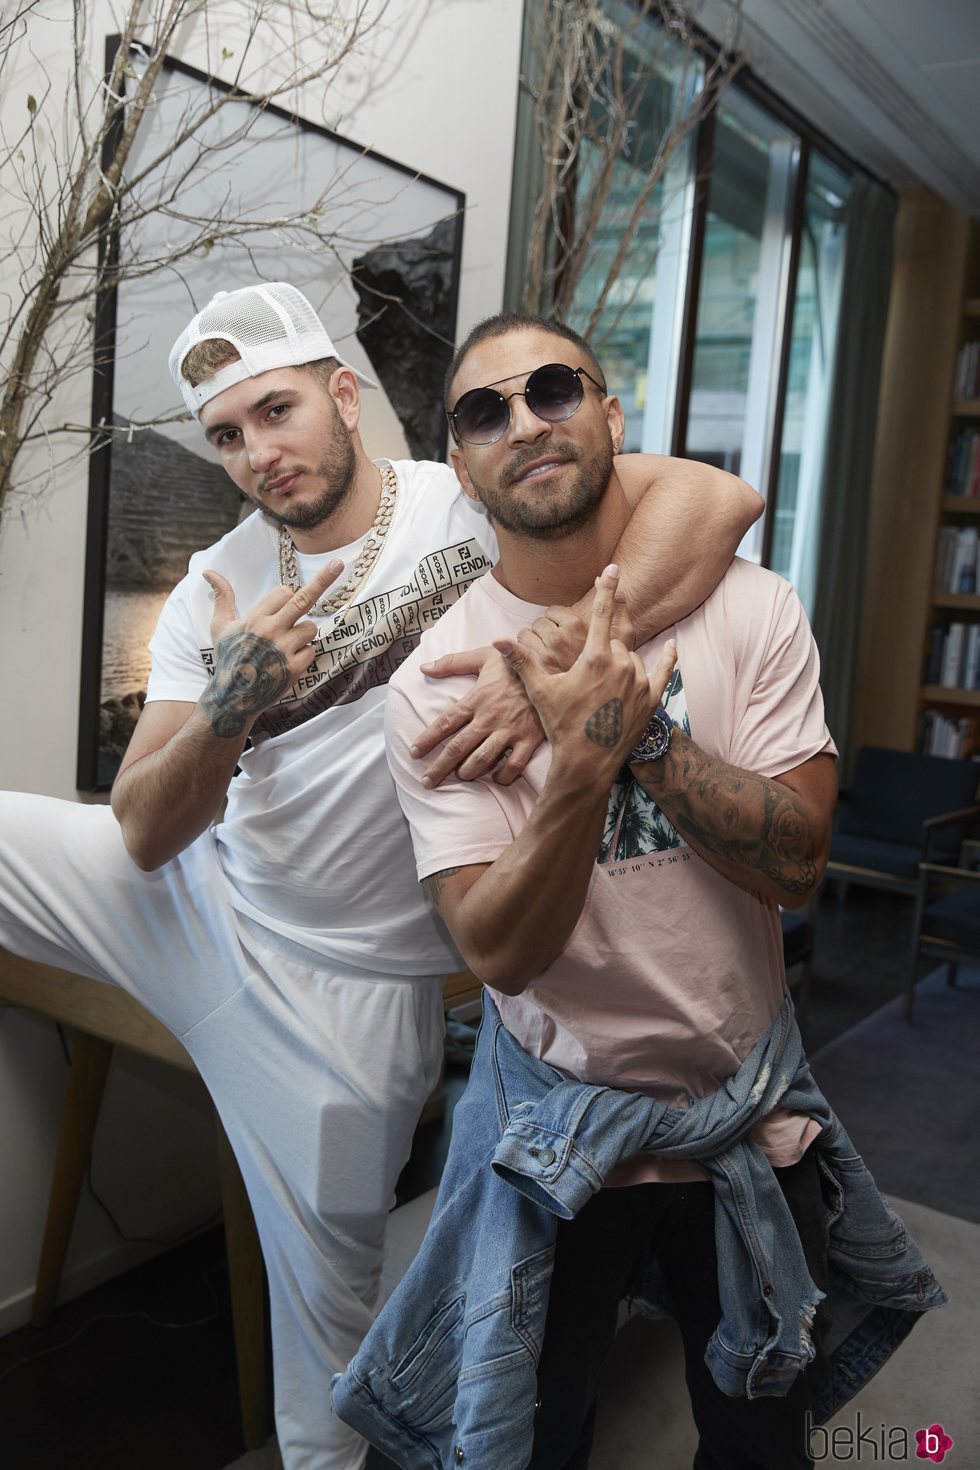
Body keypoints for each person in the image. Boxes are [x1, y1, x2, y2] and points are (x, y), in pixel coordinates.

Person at [0, 284, 762, 1470]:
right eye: (226, 434)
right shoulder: (217, 584)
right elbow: (144, 830)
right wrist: (228, 712)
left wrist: (543, 663)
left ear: (343, 397)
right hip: (195, 899)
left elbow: (716, 502)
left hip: (345, 997)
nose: (258, 452)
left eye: (277, 411)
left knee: (329, 1388)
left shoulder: (467, 500)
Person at [332, 311, 946, 1470]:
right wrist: (580, 766)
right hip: (555, 1130)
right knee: (527, 1434)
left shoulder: (751, 608)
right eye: (484, 412)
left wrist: (644, 739)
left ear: (612, 417)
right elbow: (497, 952)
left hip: (743, 1113)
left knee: (759, 1435)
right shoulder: (439, 683)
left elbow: (797, 866)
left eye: (553, 389)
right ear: (460, 466)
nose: (524, 422)